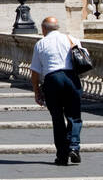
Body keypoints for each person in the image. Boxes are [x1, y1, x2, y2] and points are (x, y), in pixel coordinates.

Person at [30, 16, 83, 166]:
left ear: (44, 29)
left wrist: (36, 91)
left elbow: (35, 71)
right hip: (71, 77)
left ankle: (62, 155)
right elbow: (83, 59)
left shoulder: (40, 44)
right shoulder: (72, 39)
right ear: (57, 27)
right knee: (74, 116)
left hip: (52, 79)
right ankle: (74, 146)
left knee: (58, 118)